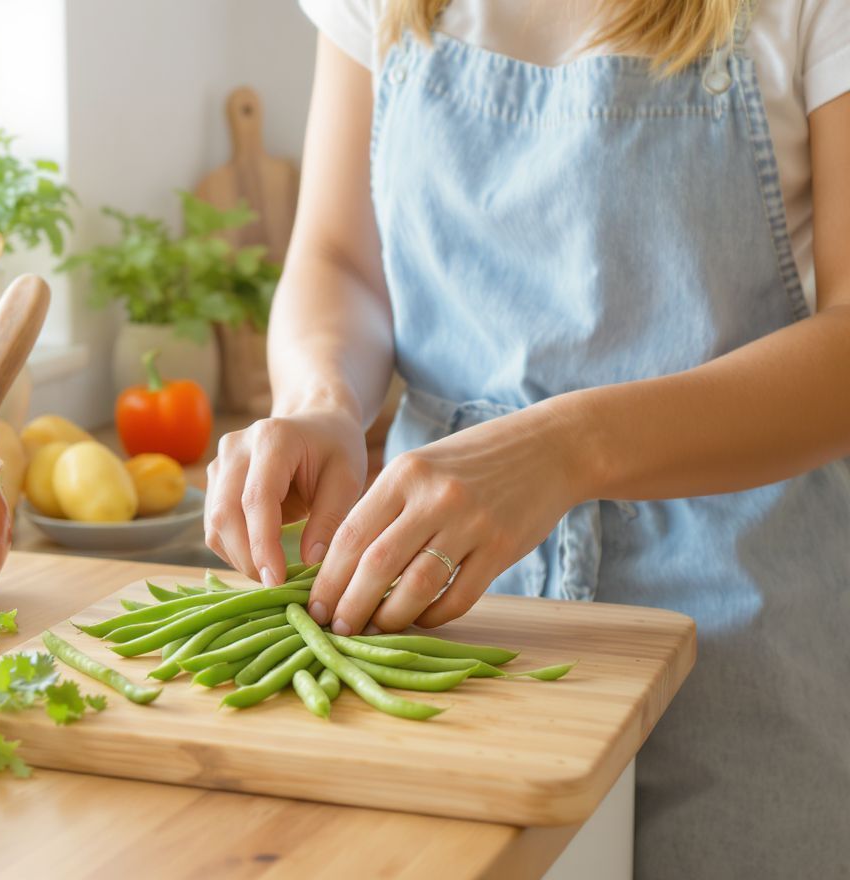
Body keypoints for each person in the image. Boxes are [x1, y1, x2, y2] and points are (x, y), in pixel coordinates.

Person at [203, 0, 850, 875]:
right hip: (440, 612)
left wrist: (568, 446)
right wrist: (323, 402)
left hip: (740, 626)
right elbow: (338, 260)